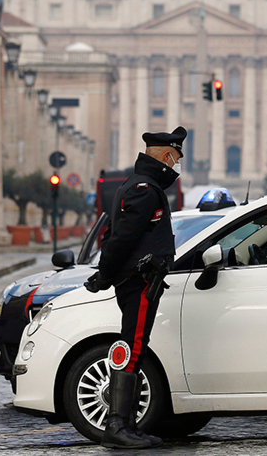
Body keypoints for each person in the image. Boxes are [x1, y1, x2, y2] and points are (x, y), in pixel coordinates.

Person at [84, 126, 185, 449]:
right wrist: (104, 274)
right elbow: (122, 238)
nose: (178, 166)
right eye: (177, 158)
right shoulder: (144, 189)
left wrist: (106, 274)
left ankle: (126, 424)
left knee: (135, 346)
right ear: (167, 156)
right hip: (139, 281)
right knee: (134, 346)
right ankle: (117, 425)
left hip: (137, 280)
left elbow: (114, 234)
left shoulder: (139, 185)